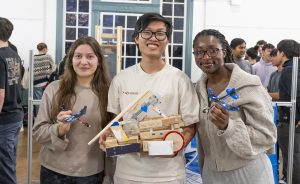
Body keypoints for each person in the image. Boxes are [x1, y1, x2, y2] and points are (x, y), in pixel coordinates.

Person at [101, 13, 199, 184]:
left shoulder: (181, 79)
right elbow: (115, 122)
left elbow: (190, 127)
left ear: (167, 39)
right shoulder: (121, 79)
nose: (153, 38)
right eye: (147, 32)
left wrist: (171, 146)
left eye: (160, 33)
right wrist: (109, 135)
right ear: (136, 38)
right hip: (127, 174)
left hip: (169, 176)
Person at [193, 29, 276, 184]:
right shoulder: (198, 90)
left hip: (248, 172)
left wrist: (228, 126)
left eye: (212, 51)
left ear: (224, 51)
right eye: (199, 52)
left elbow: (267, 136)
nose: (205, 57)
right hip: (212, 173)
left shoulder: (248, 86)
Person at [33, 36, 111, 184]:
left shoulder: (109, 93)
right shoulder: (53, 89)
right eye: (78, 56)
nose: (83, 62)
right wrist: (59, 130)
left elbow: (114, 133)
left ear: (99, 60)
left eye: (90, 56)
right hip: (53, 171)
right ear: (71, 60)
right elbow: (38, 132)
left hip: (91, 173)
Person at [0, 17, 24, 184]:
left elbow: (0, 94)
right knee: (8, 163)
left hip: (4, 119)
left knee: (5, 168)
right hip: (15, 115)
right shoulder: (14, 54)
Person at [276, 39, 300, 184]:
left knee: (293, 158)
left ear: (282, 53)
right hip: (291, 121)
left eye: (277, 52)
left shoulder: (289, 71)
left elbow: (297, 94)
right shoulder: (294, 68)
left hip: (291, 122)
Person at [33, 42, 55, 117]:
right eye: (47, 49)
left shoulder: (33, 58)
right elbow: (54, 68)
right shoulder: (48, 57)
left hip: (36, 84)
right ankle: (47, 119)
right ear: (44, 49)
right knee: (47, 101)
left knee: (37, 103)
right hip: (46, 83)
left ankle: (39, 119)